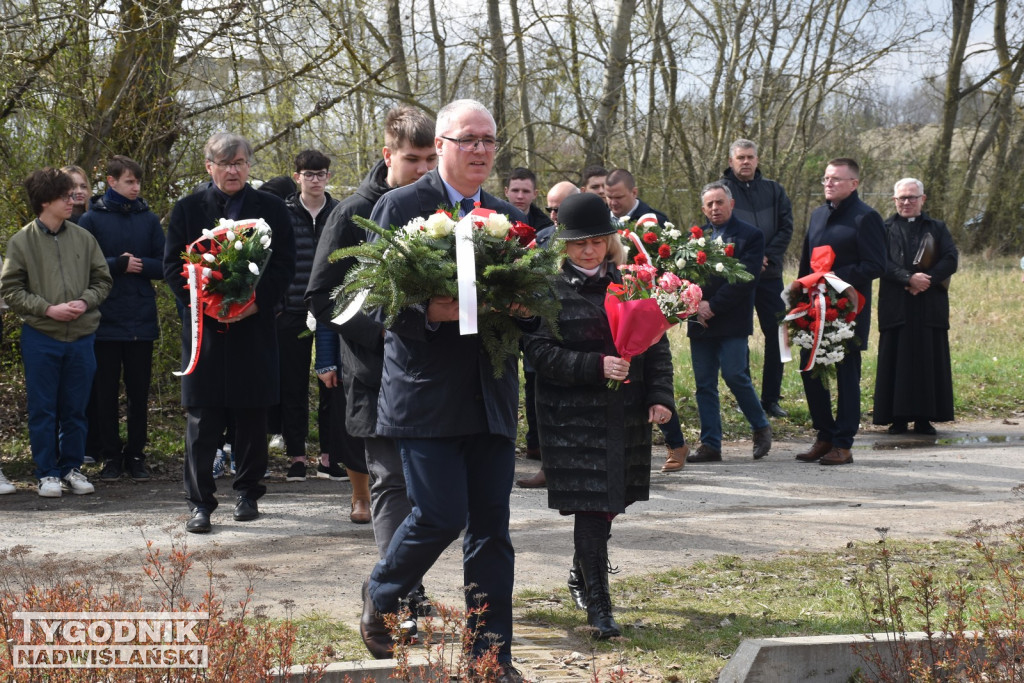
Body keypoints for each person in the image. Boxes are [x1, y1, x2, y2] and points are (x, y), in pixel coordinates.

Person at [356, 99, 528, 683]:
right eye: (468, 139)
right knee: (439, 514)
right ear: (445, 144)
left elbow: (537, 306)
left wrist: (526, 309)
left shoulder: (508, 219)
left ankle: (491, 659)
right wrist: (429, 309)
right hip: (425, 395)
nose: (480, 149)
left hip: (491, 395)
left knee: (491, 533)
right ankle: (382, 592)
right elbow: (373, 297)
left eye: (488, 140)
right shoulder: (401, 206)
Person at [523, 191, 675, 639]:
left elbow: (657, 344)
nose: (588, 250)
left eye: (597, 241)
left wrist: (661, 396)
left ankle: (580, 574)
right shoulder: (545, 289)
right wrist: (593, 365)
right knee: (592, 507)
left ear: (610, 240)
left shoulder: (633, 282)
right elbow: (537, 351)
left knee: (610, 505)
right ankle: (599, 606)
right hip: (571, 418)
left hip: (623, 413)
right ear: (564, 246)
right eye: (578, 243)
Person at [306, 106, 438, 612]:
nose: (424, 169)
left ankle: (408, 583)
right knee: (391, 485)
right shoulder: (351, 213)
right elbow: (322, 296)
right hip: (375, 370)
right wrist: (383, 337)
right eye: (413, 159)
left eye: (431, 158)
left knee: (429, 492)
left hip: (431, 373)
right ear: (387, 156)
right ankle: (400, 593)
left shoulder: (437, 209)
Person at [163, 132, 295, 533]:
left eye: (239, 163)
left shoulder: (270, 208)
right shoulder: (187, 209)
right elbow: (172, 268)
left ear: (249, 166)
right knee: (203, 418)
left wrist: (253, 304)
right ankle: (200, 503)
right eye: (224, 163)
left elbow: (285, 266)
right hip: (205, 330)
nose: (233, 170)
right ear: (209, 167)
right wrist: (208, 304)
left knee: (252, 414)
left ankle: (248, 493)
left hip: (253, 327)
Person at [0, 168, 112, 497]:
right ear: (45, 202)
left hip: (81, 335)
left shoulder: (84, 237)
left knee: (75, 407)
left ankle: (71, 468)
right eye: (65, 196)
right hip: (40, 335)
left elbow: (103, 280)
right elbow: (11, 289)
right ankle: (47, 473)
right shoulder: (21, 242)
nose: (73, 199)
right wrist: (47, 309)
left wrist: (84, 301)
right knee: (43, 408)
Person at [77, 155, 166, 482]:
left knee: (139, 392)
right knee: (104, 393)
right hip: (103, 320)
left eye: (138, 182)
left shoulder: (149, 219)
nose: (136, 187)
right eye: (129, 181)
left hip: (141, 320)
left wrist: (144, 265)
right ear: (111, 181)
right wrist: (117, 264)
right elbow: (84, 264)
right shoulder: (91, 220)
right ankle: (111, 457)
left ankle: (137, 455)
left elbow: (169, 264)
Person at [795, 158, 886, 466]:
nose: (828, 183)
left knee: (846, 375)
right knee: (810, 370)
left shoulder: (866, 217)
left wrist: (834, 278)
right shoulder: (818, 214)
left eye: (835, 179)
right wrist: (801, 295)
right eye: (825, 178)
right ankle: (824, 435)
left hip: (848, 311)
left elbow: (876, 265)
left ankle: (844, 443)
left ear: (853, 184)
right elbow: (807, 262)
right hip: (814, 308)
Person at [684, 182, 772, 463]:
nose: (714, 208)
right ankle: (711, 444)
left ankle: (760, 427)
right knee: (704, 384)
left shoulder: (750, 236)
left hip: (732, 318)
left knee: (735, 375)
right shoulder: (695, 237)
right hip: (700, 320)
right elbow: (686, 277)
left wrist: (713, 306)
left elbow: (746, 279)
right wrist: (696, 307)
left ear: (731, 204)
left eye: (719, 202)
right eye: (709, 204)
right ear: (703, 209)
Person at [873, 178, 958, 436]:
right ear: (894, 200)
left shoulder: (937, 227)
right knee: (896, 362)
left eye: (911, 197)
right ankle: (896, 419)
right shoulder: (883, 228)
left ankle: (925, 418)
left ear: (923, 199)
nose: (906, 202)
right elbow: (879, 261)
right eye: (901, 198)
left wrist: (926, 281)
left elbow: (951, 258)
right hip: (896, 305)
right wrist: (907, 278)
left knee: (927, 361)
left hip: (928, 305)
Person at [272, 150, 337, 483]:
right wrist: (280, 304)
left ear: (328, 176)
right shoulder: (282, 213)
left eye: (321, 173)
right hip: (291, 311)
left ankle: (329, 456)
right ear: (296, 176)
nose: (315, 180)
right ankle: (297, 455)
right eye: (308, 174)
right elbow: (273, 259)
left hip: (331, 311)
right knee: (292, 385)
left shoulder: (339, 212)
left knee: (332, 383)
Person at [721, 139, 794, 419]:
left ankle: (771, 399)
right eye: (740, 157)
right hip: (736, 276)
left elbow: (786, 227)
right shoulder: (722, 191)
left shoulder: (774, 190)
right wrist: (748, 259)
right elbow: (720, 231)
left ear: (757, 159)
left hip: (770, 275)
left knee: (778, 335)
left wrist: (765, 256)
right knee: (739, 336)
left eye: (750, 157)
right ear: (731, 161)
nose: (746, 162)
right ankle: (745, 398)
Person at [517, 181, 581, 489]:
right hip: (542, 337)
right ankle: (548, 464)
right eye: (550, 208)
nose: (553, 215)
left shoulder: (592, 242)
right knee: (541, 401)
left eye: (560, 208)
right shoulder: (540, 239)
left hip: (580, 338)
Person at [604, 168, 668, 225]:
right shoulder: (598, 219)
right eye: (609, 197)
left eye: (618, 197)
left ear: (634, 193)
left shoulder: (656, 221)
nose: (613, 203)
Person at [503, 167, 554, 231]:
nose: (520, 196)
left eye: (526, 191)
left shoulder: (546, 228)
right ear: (506, 192)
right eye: (515, 190)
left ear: (535, 194)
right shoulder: (490, 221)